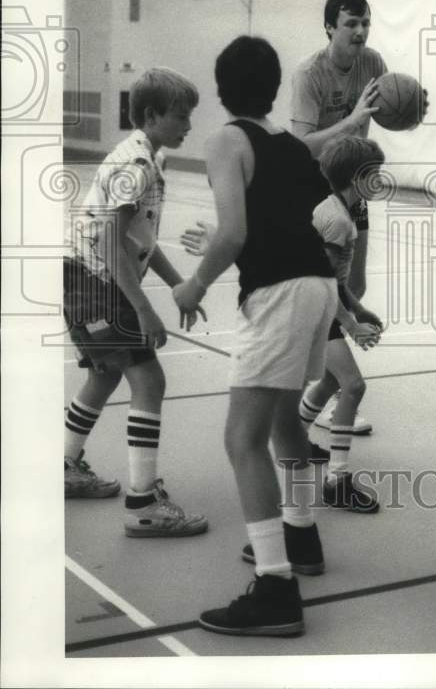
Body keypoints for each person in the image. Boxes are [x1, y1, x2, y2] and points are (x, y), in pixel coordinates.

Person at [173, 35, 338, 638]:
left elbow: (234, 233)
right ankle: (301, 536)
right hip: (319, 286)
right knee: (284, 421)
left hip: (281, 292)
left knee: (241, 438)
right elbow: (332, 218)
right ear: (274, 88)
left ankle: (275, 586)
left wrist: (194, 284)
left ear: (221, 88)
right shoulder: (289, 144)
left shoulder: (225, 139)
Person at [63, 67, 208, 538]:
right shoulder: (137, 166)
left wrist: (175, 283)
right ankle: (143, 505)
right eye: (181, 116)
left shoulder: (147, 158)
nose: (188, 125)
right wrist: (143, 309)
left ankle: (64, 466)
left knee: (104, 377)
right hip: (96, 279)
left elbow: (138, 240)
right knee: (150, 381)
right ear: (152, 114)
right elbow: (110, 243)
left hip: (86, 278)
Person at [291, 0, 427, 436]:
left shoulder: (374, 64)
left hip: (353, 183)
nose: (361, 31)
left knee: (355, 282)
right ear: (330, 26)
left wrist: (412, 111)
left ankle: (326, 387)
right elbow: (300, 146)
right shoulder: (308, 74)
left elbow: (390, 110)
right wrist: (350, 122)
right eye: (351, 23)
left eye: (365, 22)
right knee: (327, 287)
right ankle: (329, 378)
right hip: (315, 187)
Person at [296, 135, 386, 513]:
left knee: (333, 380)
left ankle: (296, 438)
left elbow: (336, 280)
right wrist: (350, 324)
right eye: (375, 174)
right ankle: (338, 480)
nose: (380, 180)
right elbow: (325, 279)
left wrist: (358, 309)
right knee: (353, 385)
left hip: (318, 303)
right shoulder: (336, 220)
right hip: (312, 307)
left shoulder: (339, 211)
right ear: (356, 177)